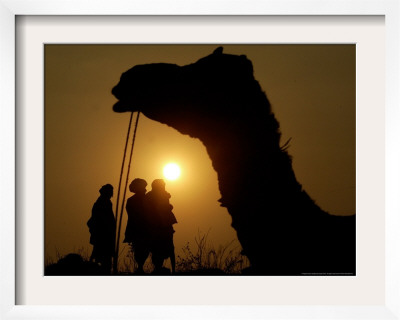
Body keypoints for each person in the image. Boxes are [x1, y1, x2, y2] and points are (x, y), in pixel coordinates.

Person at [144, 179, 178, 274]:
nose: (164, 186)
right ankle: (159, 268)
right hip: (157, 227)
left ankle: (173, 270)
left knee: (169, 248)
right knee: (157, 249)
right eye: (162, 185)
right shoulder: (151, 196)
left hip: (165, 226)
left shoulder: (164, 195)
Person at [87, 184, 116, 274]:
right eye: (110, 191)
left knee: (101, 255)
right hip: (103, 235)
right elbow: (98, 219)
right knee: (103, 256)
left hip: (105, 234)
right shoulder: (102, 203)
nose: (112, 193)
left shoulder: (105, 202)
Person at [123, 178, 151, 274]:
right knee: (140, 248)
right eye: (143, 187)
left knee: (144, 248)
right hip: (139, 228)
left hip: (144, 228)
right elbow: (132, 215)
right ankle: (140, 268)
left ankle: (140, 267)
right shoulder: (133, 200)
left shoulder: (146, 199)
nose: (145, 189)